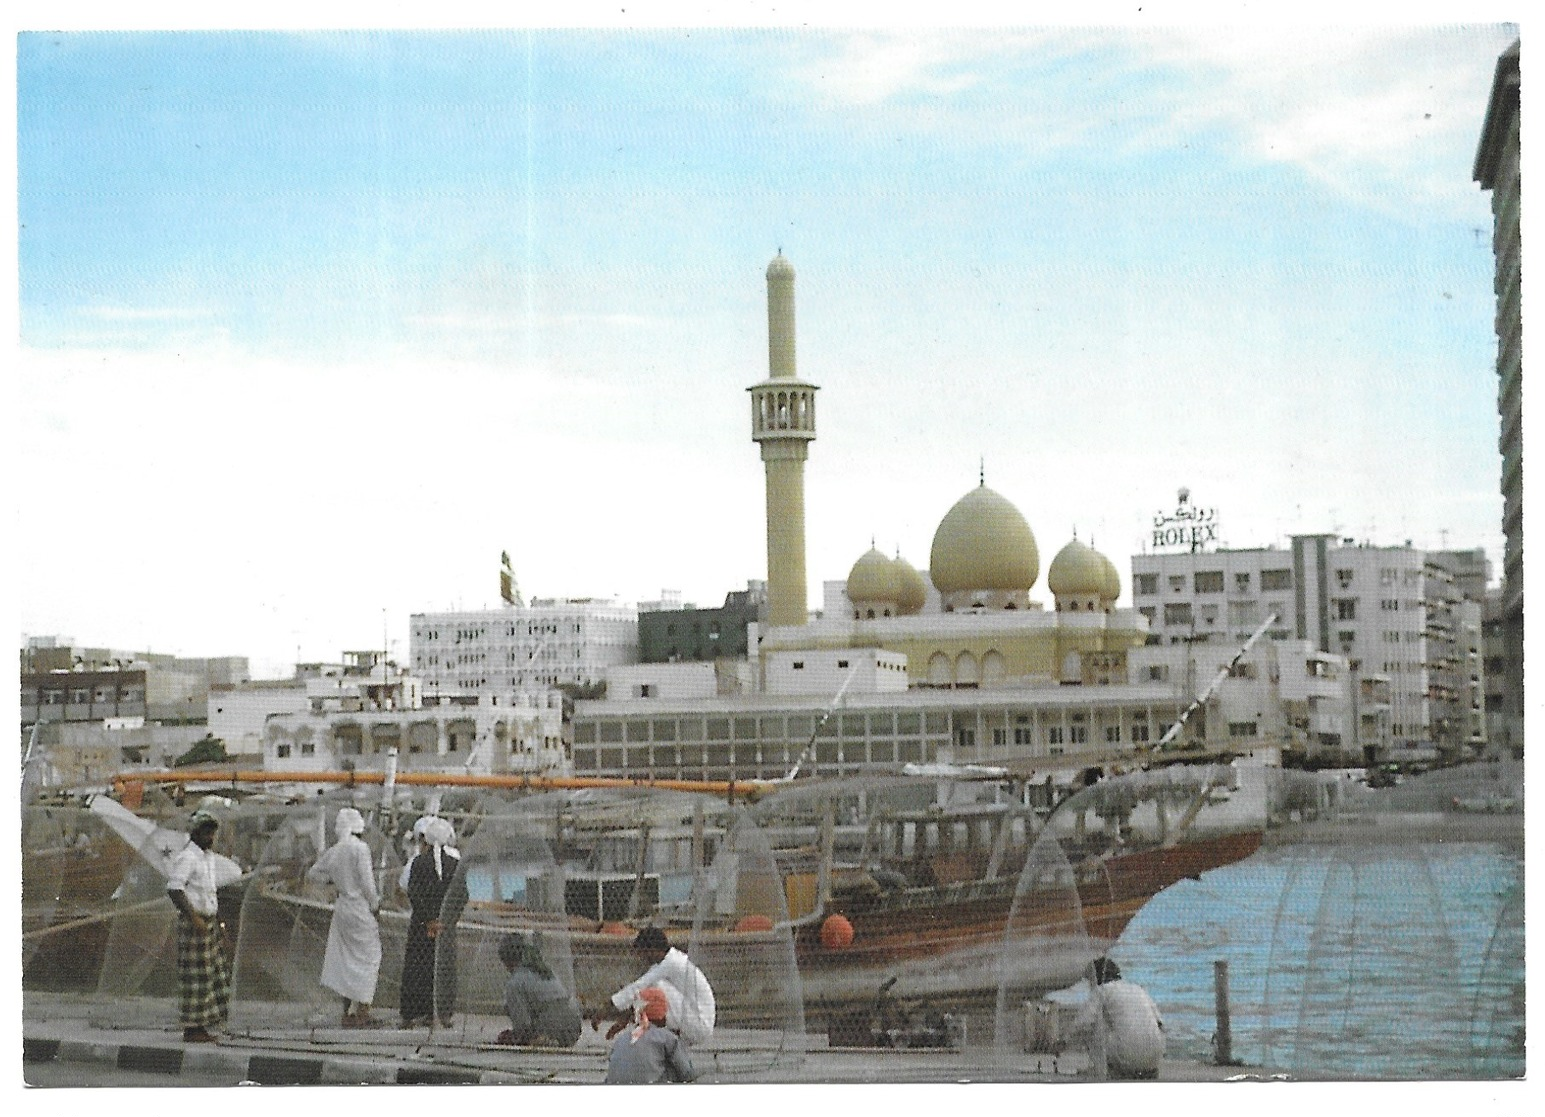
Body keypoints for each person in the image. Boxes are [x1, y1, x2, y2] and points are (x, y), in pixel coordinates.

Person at [165, 810, 243, 1043]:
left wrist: (217, 921)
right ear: (195, 833)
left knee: (213, 973)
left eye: (212, 833)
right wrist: (194, 918)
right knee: (196, 977)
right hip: (194, 923)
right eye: (206, 833)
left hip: (208, 921)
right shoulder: (188, 858)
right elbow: (175, 889)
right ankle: (193, 1028)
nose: (210, 838)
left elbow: (208, 892)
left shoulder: (207, 858)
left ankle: (207, 1023)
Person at [306, 806, 383, 1028]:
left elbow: (313, 873)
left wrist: (334, 882)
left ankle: (347, 1014)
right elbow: (368, 883)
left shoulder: (334, 850)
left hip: (342, 909)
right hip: (359, 909)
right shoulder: (360, 849)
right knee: (370, 958)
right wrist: (375, 905)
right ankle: (363, 1013)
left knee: (345, 960)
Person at [595, 926, 715, 1046]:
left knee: (655, 989)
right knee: (650, 990)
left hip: (698, 1023)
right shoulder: (667, 962)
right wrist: (625, 1018)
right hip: (693, 1018)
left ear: (653, 950)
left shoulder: (671, 963)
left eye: (643, 953)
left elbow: (639, 987)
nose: (642, 958)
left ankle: (655, 1036)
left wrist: (607, 1007)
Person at [397, 815, 463, 1027]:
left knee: (417, 967)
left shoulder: (419, 862)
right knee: (442, 968)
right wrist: (446, 920)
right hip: (446, 928)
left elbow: (414, 892)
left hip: (421, 925)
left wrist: (428, 920)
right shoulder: (455, 864)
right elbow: (462, 895)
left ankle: (410, 1014)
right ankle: (441, 1013)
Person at [1072, 956, 1165, 1080]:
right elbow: (1160, 1024)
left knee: (1095, 1023)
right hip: (1154, 1058)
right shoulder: (1138, 989)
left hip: (1126, 1057)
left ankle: (1099, 1069)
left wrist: (1064, 1042)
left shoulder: (1102, 990)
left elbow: (1082, 1023)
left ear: (1096, 978)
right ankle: (1145, 1067)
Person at [496, 933, 583, 1047]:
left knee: (509, 1037)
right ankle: (547, 1038)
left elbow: (522, 1024)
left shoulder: (514, 983)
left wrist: (513, 1036)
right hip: (573, 1028)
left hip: (551, 1027)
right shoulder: (544, 971)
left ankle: (544, 1038)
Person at [603, 986, 697, 1084]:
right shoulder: (668, 1038)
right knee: (674, 1066)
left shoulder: (621, 1039)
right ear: (662, 1015)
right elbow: (687, 1074)